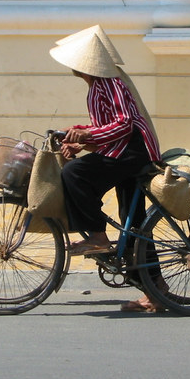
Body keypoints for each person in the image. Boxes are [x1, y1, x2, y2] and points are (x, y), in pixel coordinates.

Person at [49, 30, 165, 312]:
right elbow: (105, 128)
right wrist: (80, 136)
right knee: (133, 222)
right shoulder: (98, 86)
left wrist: (86, 138)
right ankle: (156, 290)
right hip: (124, 150)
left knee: (74, 174)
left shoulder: (109, 83)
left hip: (134, 152)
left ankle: (97, 236)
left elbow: (123, 125)